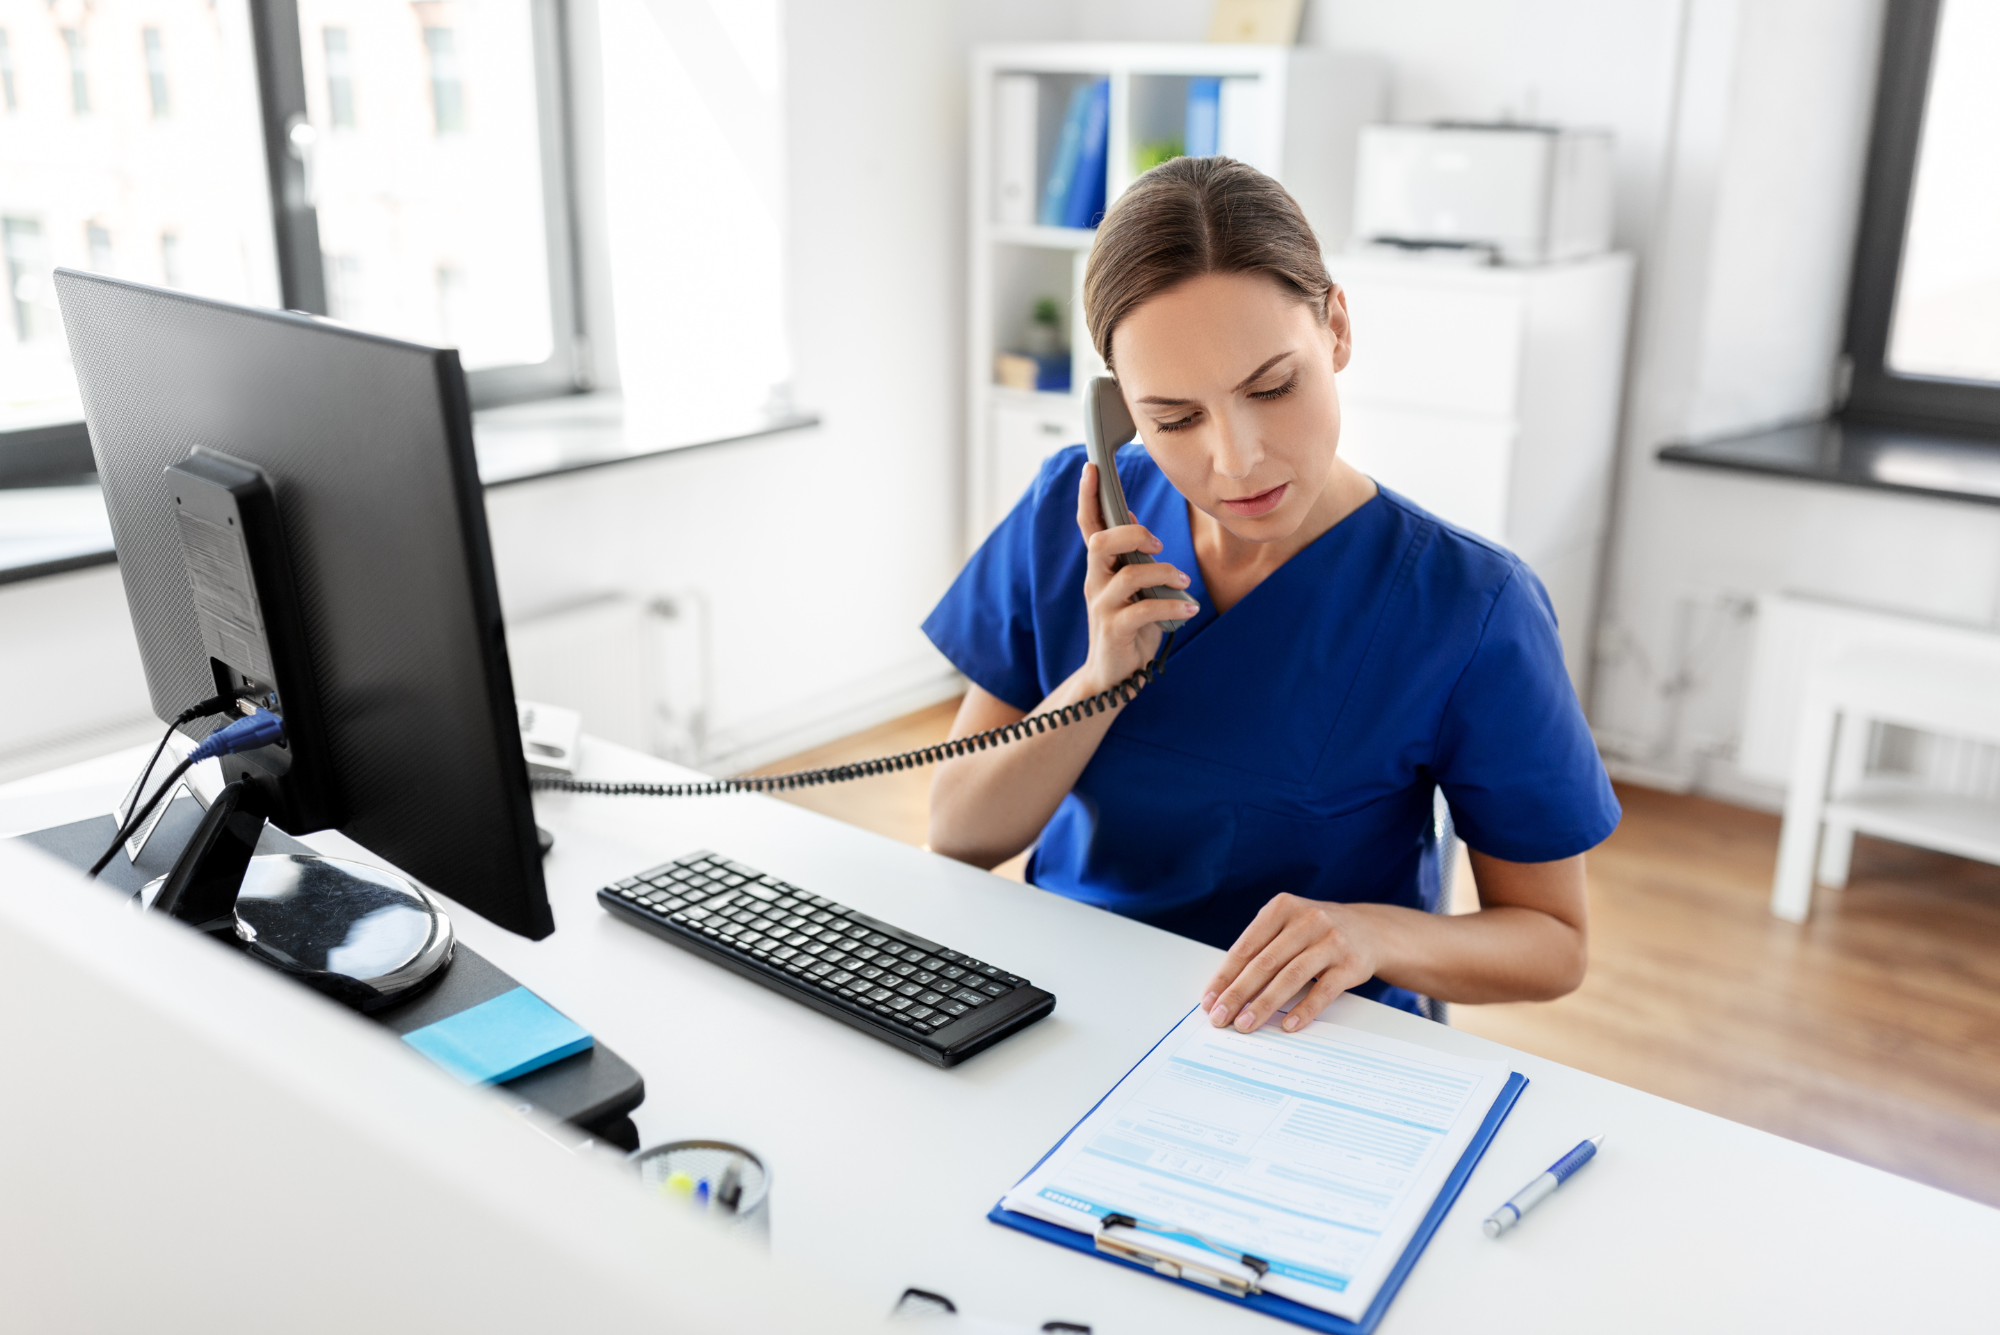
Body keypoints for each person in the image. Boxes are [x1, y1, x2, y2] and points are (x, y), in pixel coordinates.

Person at [922, 157, 1619, 1034]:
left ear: (1335, 328)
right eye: (1174, 418)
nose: (1237, 458)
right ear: (1120, 410)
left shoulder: (1470, 606)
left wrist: (1368, 934)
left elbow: (1554, 942)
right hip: (1069, 1008)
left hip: (1309, 1038)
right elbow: (958, 832)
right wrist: (1098, 679)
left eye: (1272, 387)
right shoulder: (1074, 519)